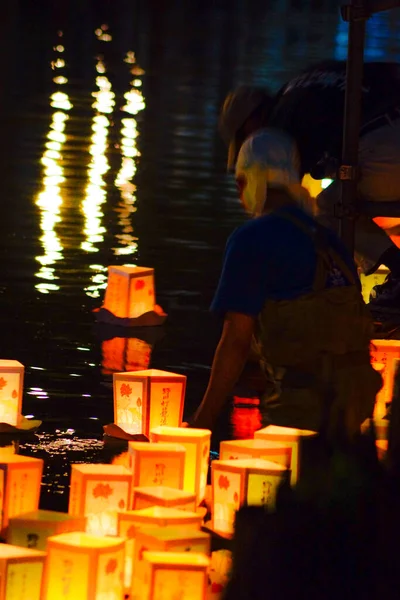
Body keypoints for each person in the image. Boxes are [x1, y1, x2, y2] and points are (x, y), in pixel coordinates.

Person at [190, 128, 381, 436]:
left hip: (301, 411)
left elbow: (235, 343)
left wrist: (202, 422)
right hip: (355, 406)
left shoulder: (252, 239)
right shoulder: (328, 238)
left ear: (244, 184)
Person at [218, 61, 400, 310]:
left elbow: (289, 206)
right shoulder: (305, 83)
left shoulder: (282, 125)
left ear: (253, 119)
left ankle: (394, 272)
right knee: (364, 204)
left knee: (331, 209)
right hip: (390, 126)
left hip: (386, 146)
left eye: (244, 138)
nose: (251, 143)